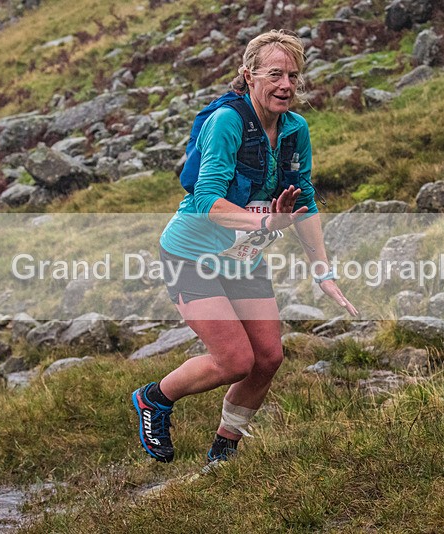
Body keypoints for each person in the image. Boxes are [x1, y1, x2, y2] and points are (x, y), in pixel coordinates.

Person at [132, 29, 358, 464]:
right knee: (235, 360)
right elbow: (206, 201)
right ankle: (153, 399)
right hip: (191, 256)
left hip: (243, 258)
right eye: (275, 74)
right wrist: (267, 220)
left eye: (293, 75)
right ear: (249, 76)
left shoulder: (296, 129)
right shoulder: (227, 122)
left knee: (268, 357)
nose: (286, 85)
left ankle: (225, 447)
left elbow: (305, 202)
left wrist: (323, 271)